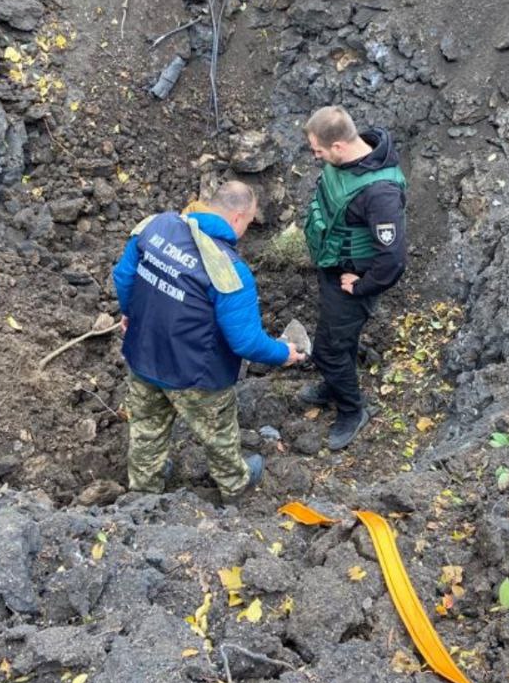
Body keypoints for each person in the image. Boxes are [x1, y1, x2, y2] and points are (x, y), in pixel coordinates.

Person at [113, 181, 305, 500]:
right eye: (249, 221)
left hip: (143, 353)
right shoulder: (229, 269)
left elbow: (123, 277)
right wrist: (282, 353)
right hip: (195, 374)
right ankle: (234, 485)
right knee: (218, 434)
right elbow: (245, 342)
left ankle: (144, 492)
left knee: (147, 427)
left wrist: (131, 312)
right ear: (237, 218)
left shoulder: (157, 226)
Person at [302, 106, 407, 449]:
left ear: (338, 147)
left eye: (318, 150)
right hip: (332, 266)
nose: (315, 156)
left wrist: (361, 286)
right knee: (335, 339)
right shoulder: (349, 160)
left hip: (352, 281)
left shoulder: (381, 194)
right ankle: (334, 386)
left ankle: (352, 411)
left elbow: (392, 260)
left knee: (328, 350)